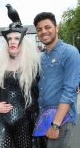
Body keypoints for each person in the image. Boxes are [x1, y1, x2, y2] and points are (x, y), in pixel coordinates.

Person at [0, 10, 44, 148]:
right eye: (9, 39)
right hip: (1, 119)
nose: (12, 41)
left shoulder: (33, 66)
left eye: (16, 38)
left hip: (24, 119)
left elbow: (41, 90)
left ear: (22, 40)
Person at [33, 12, 80, 148]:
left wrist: (55, 124)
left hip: (61, 121)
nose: (43, 32)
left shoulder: (70, 52)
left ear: (56, 28)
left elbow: (70, 91)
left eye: (47, 27)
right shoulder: (41, 57)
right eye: (39, 29)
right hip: (44, 119)